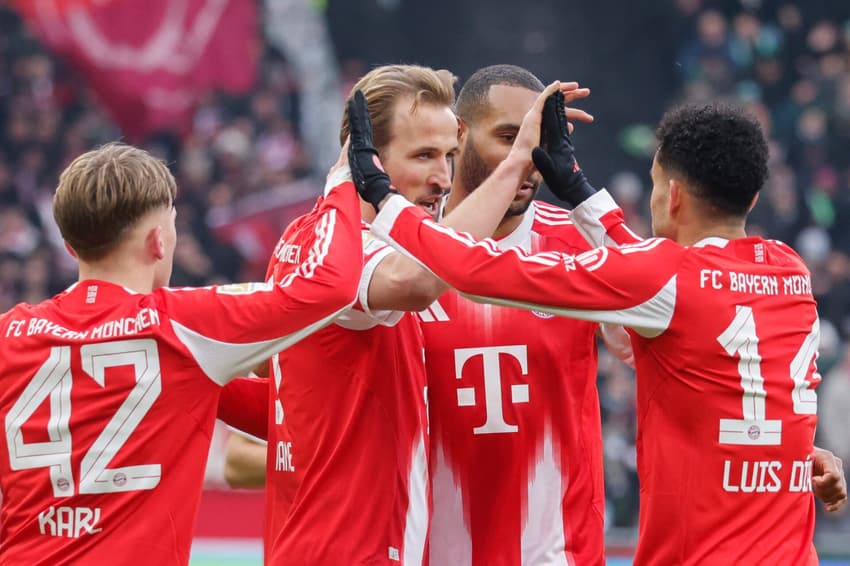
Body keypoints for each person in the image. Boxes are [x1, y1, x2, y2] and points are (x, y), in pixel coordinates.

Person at [352, 94, 831, 563]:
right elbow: (666, 288)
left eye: (655, 182)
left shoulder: (663, 276)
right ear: (752, 196)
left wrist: (383, 197)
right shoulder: (789, 272)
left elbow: (479, 274)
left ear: (674, 195)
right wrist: (579, 190)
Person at [218, 65, 570, 565]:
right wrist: (516, 164)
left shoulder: (308, 238)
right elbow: (422, 279)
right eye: (423, 156)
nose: (442, 179)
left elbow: (304, 406)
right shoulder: (347, 249)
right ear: (366, 159)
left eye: (450, 155)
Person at [0, 142, 362, 565]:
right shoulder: (182, 324)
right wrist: (342, 184)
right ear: (158, 241)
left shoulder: (9, 331)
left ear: (69, 246)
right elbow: (332, 287)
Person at [423, 64, 611, 565]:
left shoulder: (578, 244)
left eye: (536, 141)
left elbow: (653, 347)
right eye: (509, 137)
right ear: (458, 135)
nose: (526, 159)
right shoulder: (403, 253)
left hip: (558, 553)